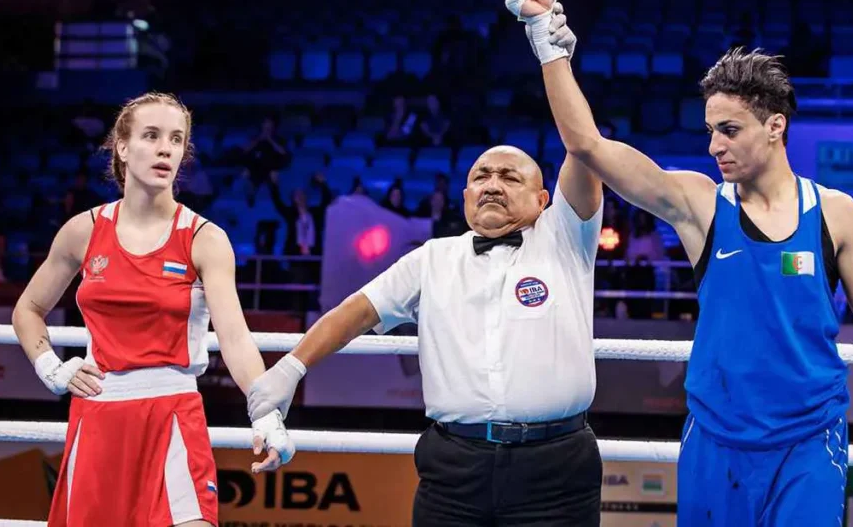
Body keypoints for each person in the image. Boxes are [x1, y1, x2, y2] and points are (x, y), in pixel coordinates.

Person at [504, 0, 853, 525]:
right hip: (715, 441)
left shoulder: (836, 213)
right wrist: (546, 40)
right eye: (710, 131)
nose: (714, 147)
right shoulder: (699, 205)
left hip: (808, 444)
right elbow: (586, 145)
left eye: (729, 130)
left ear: (775, 127)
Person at [246, 144, 605, 525]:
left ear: (542, 200)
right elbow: (356, 311)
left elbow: (582, 148)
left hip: (557, 467)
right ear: (465, 196)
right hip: (454, 469)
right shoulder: (431, 258)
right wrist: (289, 369)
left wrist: (565, 106)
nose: (492, 185)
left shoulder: (566, 241)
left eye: (510, 177)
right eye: (481, 176)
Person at [11, 92, 296, 526]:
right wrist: (50, 367)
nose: (166, 149)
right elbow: (28, 308)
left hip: (173, 413)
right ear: (122, 148)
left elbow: (236, 340)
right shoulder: (82, 232)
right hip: (98, 415)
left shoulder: (204, 239)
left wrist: (266, 414)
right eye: (151, 136)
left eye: (176, 139)